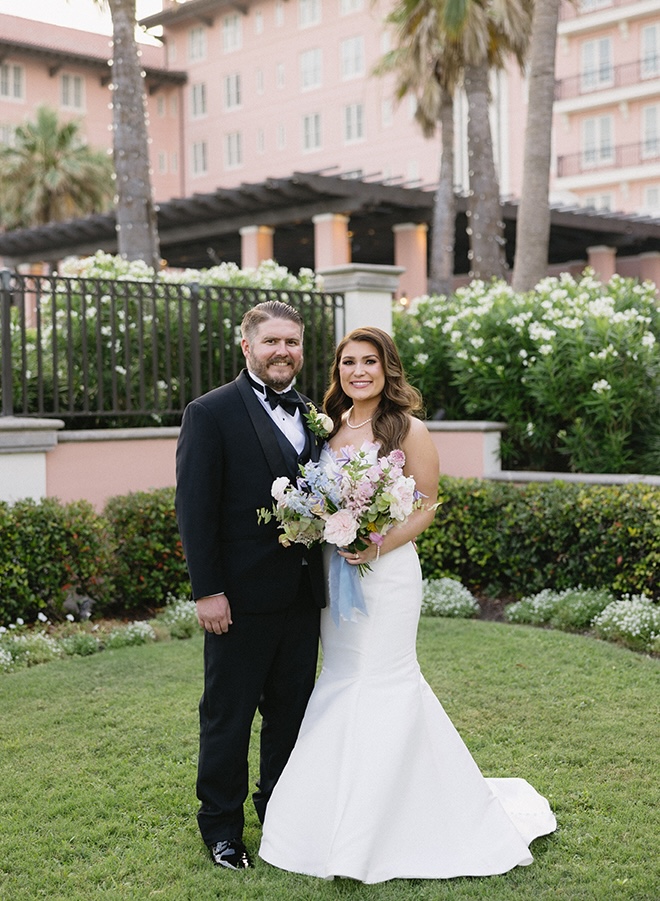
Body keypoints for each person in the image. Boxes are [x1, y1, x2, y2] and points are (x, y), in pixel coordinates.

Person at [259, 326, 556, 883]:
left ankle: (394, 823)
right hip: (335, 572)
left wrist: (376, 541)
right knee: (341, 678)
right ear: (338, 372)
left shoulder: (408, 428)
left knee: (383, 679)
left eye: (369, 362)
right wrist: (321, 525)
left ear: (387, 368)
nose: (358, 372)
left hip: (387, 573)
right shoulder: (325, 428)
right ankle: (324, 819)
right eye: (348, 363)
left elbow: (426, 505)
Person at [175, 300, 325, 870]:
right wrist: (207, 590)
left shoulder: (313, 413)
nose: (282, 351)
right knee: (228, 716)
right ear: (247, 347)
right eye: (271, 342)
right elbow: (195, 509)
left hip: (302, 599)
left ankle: (280, 816)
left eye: (292, 342)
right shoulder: (209, 413)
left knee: (290, 715)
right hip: (236, 601)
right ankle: (221, 829)